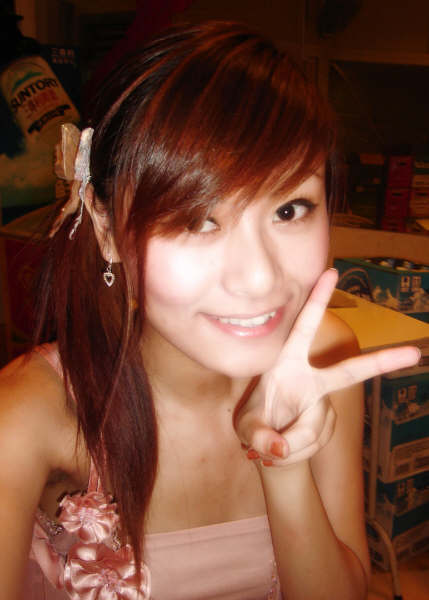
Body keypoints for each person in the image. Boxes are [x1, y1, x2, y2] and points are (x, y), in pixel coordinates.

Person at [0, 21, 420, 600]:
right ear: (106, 229)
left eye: (290, 210)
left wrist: (284, 463)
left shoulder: (320, 358)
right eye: (198, 220)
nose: (259, 278)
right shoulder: (29, 413)